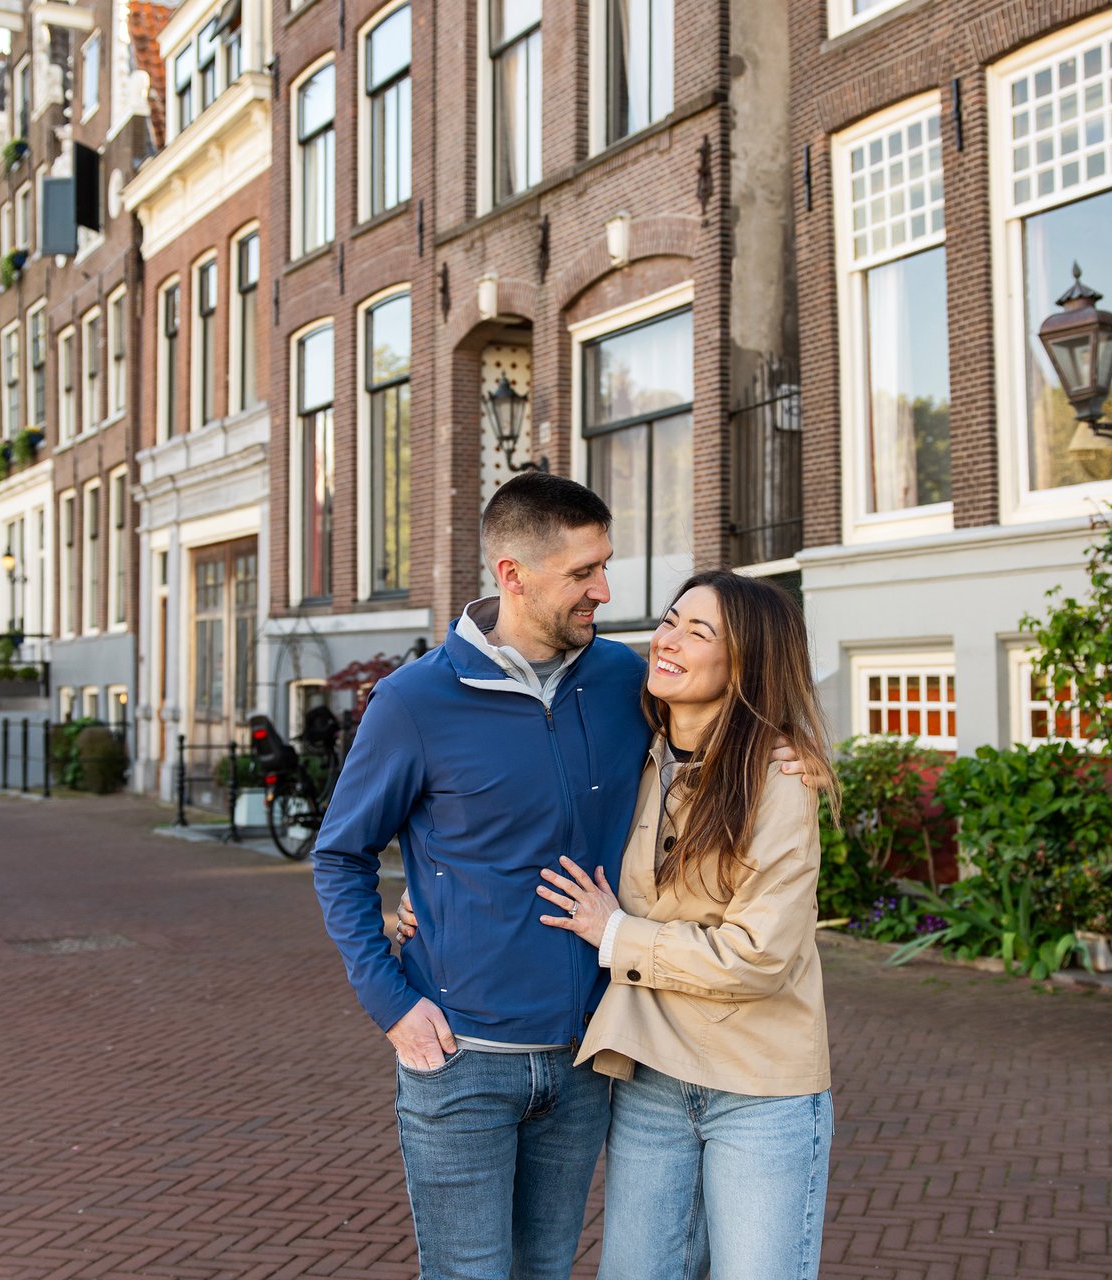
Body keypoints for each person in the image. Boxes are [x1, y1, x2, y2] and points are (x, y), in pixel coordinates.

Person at [311, 471, 651, 1280]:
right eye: (583, 573)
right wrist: (390, 1002)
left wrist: (790, 753)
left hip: (587, 1054)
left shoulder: (625, 680)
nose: (603, 590)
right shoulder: (414, 702)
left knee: (546, 1270)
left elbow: (722, 733)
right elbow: (341, 856)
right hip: (461, 1058)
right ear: (513, 574)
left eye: (605, 566)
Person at [530, 570, 838, 1279]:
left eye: (699, 633)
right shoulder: (629, 756)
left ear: (746, 665)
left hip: (759, 1089)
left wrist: (616, 935)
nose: (667, 640)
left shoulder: (778, 779)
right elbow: (533, 829)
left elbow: (755, 957)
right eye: (670, 620)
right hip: (651, 1079)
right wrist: (425, 898)